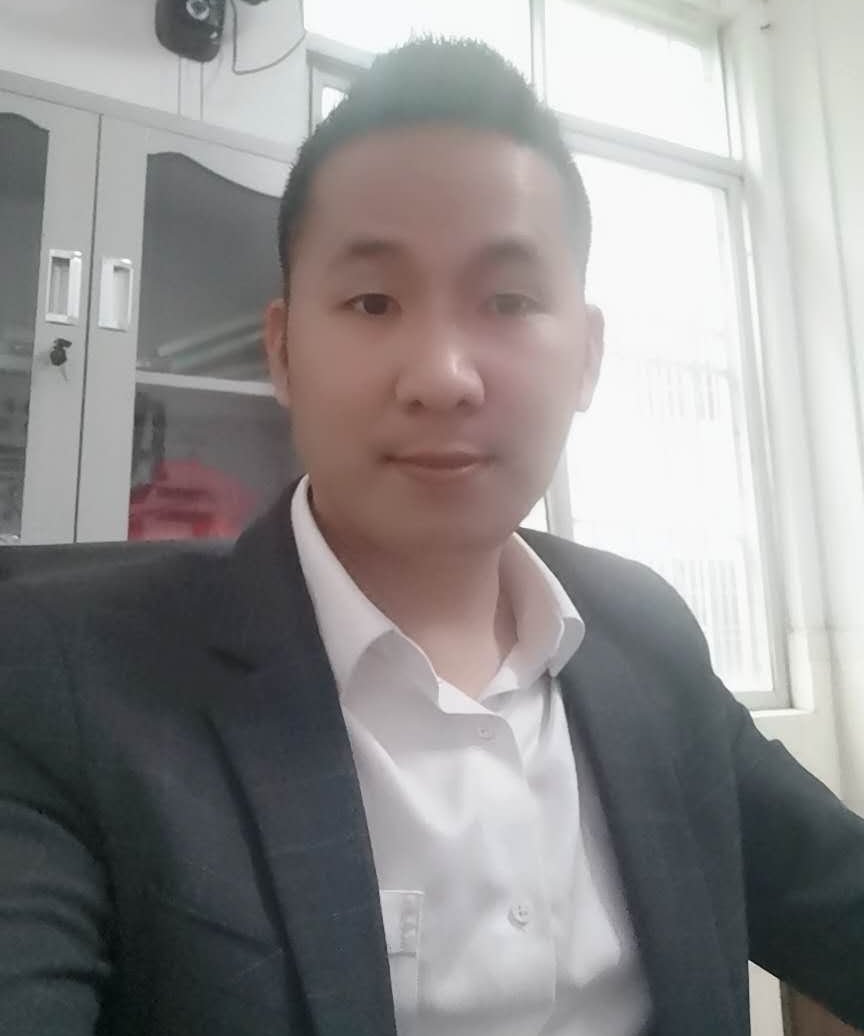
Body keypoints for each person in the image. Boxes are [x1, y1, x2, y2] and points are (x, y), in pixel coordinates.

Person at [0, 37, 862, 1036]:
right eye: (373, 301)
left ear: (587, 356)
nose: (443, 376)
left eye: (509, 301)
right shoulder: (64, 685)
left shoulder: (647, 634)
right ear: (282, 351)